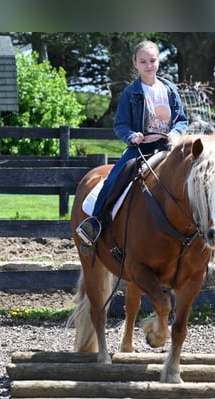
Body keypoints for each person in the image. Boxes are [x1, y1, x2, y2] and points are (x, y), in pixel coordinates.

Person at [76, 40, 189, 247]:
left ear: (159, 62)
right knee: (113, 179)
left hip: (167, 146)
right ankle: (96, 222)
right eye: (143, 61)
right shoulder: (131, 93)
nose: (148, 65)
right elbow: (120, 124)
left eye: (152, 61)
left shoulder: (170, 90)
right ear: (135, 63)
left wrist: (175, 133)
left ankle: (199, 229)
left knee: (193, 177)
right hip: (141, 148)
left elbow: (182, 119)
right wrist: (131, 136)